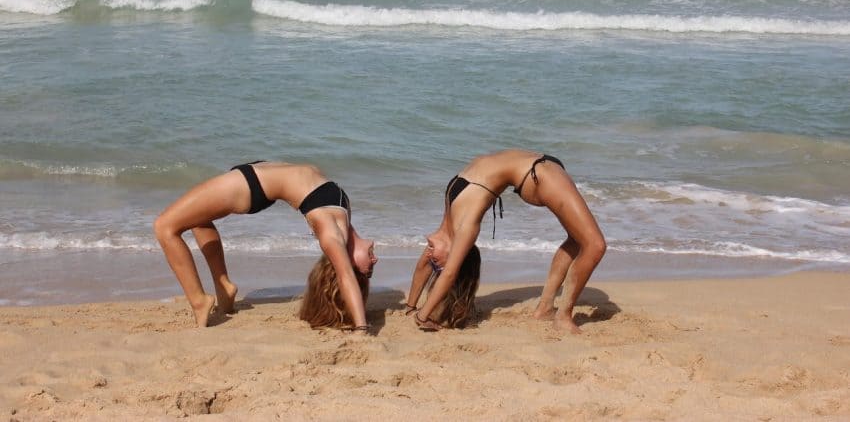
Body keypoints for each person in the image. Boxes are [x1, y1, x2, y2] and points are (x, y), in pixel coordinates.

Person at [153, 161, 377, 329]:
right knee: (197, 218)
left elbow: (345, 275)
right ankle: (223, 287)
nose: (374, 260)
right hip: (253, 175)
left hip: (248, 185)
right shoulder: (344, 216)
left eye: (367, 269)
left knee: (165, 227)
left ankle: (199, 300)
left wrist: (361, 328)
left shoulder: (332, 236)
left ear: (348, 262)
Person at [405, 149, 606, 334]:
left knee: (580, 240)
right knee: (595, 245)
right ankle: (560, 316)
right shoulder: (465, 227)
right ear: (456, 252)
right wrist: (423, 318)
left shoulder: (448, 222)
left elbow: (432, 268)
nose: (430, 256)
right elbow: (449, 272)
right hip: (540, 174)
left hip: (539, 170)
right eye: (435, 262)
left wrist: (412, 308)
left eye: (433, 261)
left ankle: (547, 309)